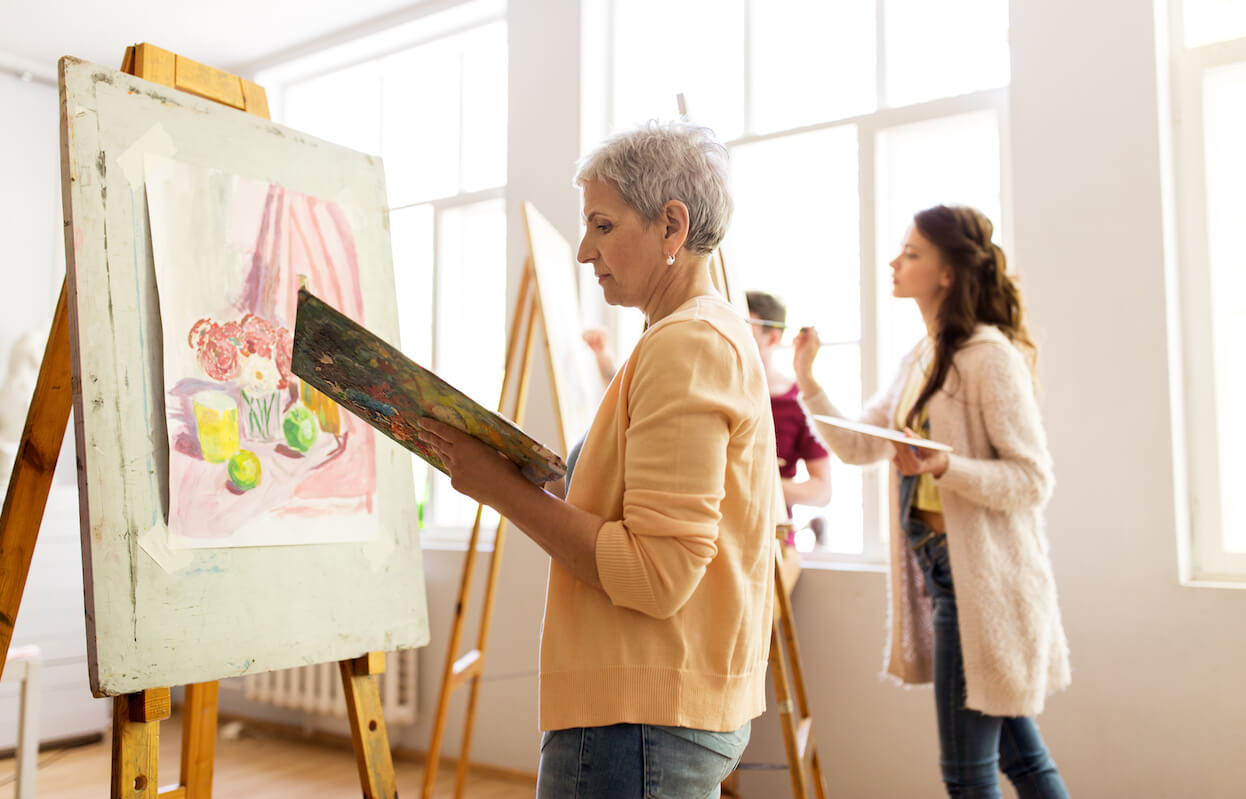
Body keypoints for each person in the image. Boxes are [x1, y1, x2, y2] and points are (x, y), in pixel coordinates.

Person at [417, 121, 777, 799]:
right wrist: (541, 472)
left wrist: (501, 490)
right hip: (655, 713)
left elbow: (656, 572)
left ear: (672, 225)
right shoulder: (698, 334)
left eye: (603, 225)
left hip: (639, 721)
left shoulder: (687, 344)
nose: (584, 250)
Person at [793, 205, 1071, 798]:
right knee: (1023, 761)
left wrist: (945, 465)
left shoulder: (988, 357)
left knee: (969, 774)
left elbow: (1031, 479)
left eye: (911, 253)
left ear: (947, 273)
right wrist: (808, 378)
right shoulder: (921, 358)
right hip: (949, 576)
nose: (895, 262)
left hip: (985, 587)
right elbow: (858, 446)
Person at [745, 290, 832, 520]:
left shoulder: (799, 403)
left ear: (772, 338)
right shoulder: (713, 391)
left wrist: (754, 483)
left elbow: (822, 491)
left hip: (775, 540)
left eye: (745, 330)